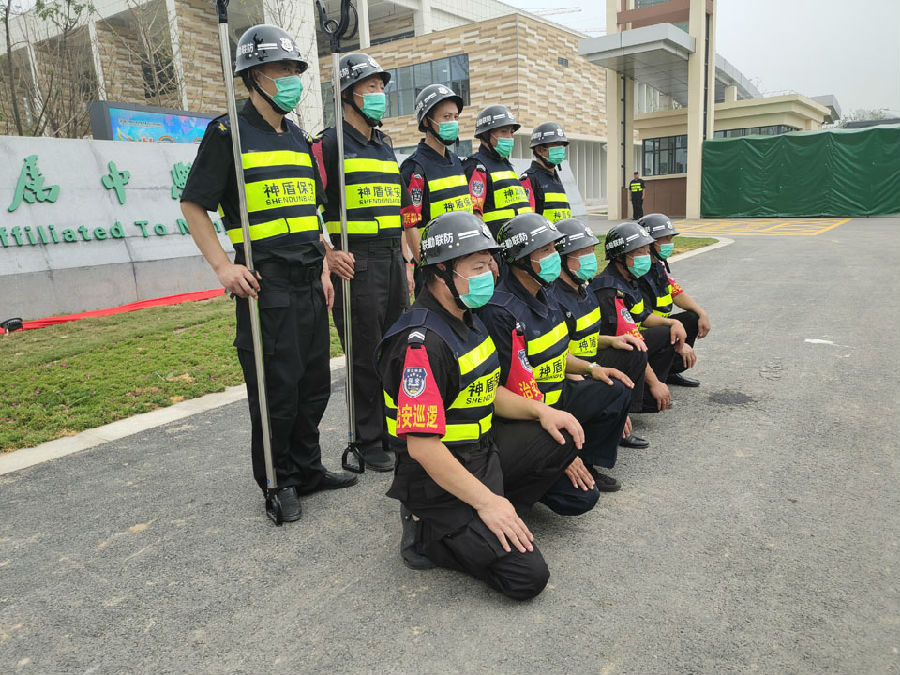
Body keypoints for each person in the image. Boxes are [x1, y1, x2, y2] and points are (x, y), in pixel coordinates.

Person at [180, 24, 357, 522]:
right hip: (266, 284)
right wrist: (223, 266)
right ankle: (279, 481)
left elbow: (309, 212)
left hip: (309, 280)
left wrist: (324, 263)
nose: (292, 79)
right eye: (282, 70)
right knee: (277, 389)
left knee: (314, 385)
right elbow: (194, 204)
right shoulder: (228, 134)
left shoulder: (297, 136)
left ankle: (308, 468)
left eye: (295, 70)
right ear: (255, 75)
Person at [377, 211, 588, 600]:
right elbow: (422, 447)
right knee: (527, 577)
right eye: (477, 267)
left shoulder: (467, 316)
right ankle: (426, 531)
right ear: (440, 272)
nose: (490, 273)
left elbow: (488, 390)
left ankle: (495, 512)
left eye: (490, 263)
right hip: (436, 473)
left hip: (482, 450)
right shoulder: (421, 344)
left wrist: (543, 411)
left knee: (564, 436)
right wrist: (488, 502)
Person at [479, 213, 633, 491]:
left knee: (615, 386)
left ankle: (586, 461)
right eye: (546, 250)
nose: (554, 256)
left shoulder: (545, 293)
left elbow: (555, 354)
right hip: (527, 412)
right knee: (579, 500)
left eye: (554, 248)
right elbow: (512, 387)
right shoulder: (501, 312)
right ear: (521, 258)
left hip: (555, 395)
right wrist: (557, 440)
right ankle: (536, 472)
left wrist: (591, 369)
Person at [318, 52, 418, 472]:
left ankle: (395, 429)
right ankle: (367, 439)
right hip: (356, 264)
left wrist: (409, 261)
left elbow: (400, 209)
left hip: (392, 258)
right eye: (371, 87)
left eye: (381, 87)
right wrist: (328, 254)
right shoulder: (329, 143)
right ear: (348, 94)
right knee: (365, 354)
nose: (379, 95)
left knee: (398, 348)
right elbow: (308, 205)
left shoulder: (384, 144)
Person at [549, 218, 651, 449]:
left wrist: (612, 341)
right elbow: (556, 357)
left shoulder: (584, 289)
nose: (590, 258)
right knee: (608, 390)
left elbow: (584, 340)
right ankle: (592, 447)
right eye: (582, 253)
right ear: (562, 258)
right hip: (570, 372)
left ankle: (621, 417)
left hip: (587, 362)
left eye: (591, 251)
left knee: (632, 349)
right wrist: (597, 391)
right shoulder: (555, 298)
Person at [590, 221, 689, 414]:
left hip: (624, 346)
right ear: (620, 257)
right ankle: (631, 405)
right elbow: (632, 339)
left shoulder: (629, 279)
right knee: (636, 348)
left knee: (667, 332)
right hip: (604, 353)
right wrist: (655, 384)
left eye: (647, 251)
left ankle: (653, 386)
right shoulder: (609, 289)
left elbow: (643, 317)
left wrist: (673, 322)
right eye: (639, 252)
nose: (646, 256)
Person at [399, 84, 474, 294]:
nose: (453, 123)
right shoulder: (415, 168)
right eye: (446, 117)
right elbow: (409, 225)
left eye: (455, 117)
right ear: (426, 121)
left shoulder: (456, 161)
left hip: (465, 261)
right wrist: (426, 267)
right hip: (436, 270)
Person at [637, 213, 711, 387]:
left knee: (692, 318)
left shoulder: (658, 265)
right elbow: (643, 317)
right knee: (670, 330)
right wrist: (675, 331)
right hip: (642, 331)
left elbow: (676, 293)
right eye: (665, 239)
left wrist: (701, 313)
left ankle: (669, 371)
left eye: (670, 239)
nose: (669, 244)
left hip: (660, 326)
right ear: (650, 242)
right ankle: (652, 381)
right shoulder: (637, 271)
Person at [462, 104, 534, 237]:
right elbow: (474, 216)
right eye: (504, 131)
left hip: (520, 242)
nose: (509, 137)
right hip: (496, 245)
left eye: (511, 132)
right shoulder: (477, 166)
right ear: (486, 134)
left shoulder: (506, 165)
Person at [519, 122, 572, 223]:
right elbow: (526, 221)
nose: (560, 148)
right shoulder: (529, 179)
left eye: (562, 145)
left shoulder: (555, 177)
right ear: (539, 150)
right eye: (556, 144)